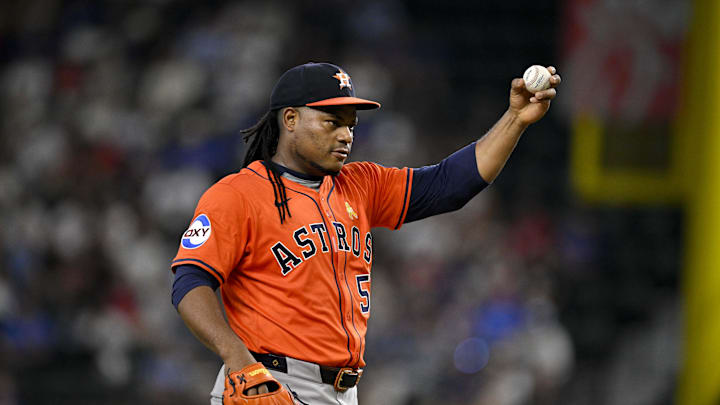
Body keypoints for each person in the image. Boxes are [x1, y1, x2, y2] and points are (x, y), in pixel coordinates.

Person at [170, 62, 561, 405]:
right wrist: (237, 359)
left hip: (343, 392)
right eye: (331, 121)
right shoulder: (237, 195)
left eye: (350, 125)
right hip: (269, 383)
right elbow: (189, 282)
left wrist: (515, 120)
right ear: (289, 119)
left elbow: (450, 185)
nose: (345, 135)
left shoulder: (360, 184)